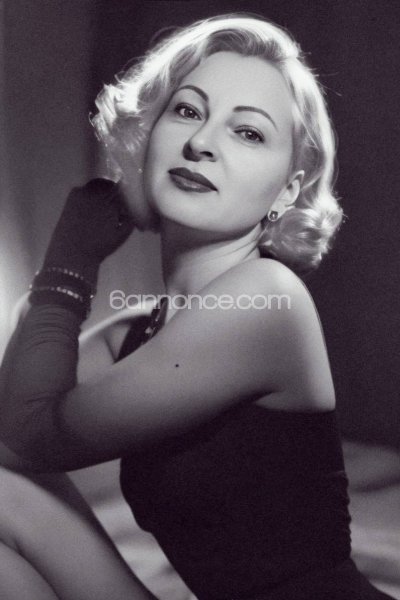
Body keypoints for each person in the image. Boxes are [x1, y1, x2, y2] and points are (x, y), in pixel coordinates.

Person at [0, 13, 395, 600]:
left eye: (248, 133)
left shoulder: (267, 301)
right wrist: (67, 264)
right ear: (149, 135)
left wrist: (68, 263)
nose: (201, 143)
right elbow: (12, 432)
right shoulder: (138, 332)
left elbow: (32, 436)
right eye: (186, 110)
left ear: (288, 188)